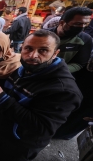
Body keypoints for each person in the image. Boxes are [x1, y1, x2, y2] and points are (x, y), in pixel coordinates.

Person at [0, 29, 82, 161]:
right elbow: (10, 95)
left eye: (43, 50)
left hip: (19, 145)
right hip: (1, 133)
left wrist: (1, 98)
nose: (33, 55)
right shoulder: (23, 69)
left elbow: (41, 127)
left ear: (55, 53)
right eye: (28, 48)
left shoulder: (64, 91)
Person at [46, 7, 93, 140]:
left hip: (62, 82)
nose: (82, 27)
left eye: (85, 24)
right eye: (77, 24)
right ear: (62, 22)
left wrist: (56, 69)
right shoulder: (45, 34)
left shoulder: (85, 39)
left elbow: (79, 64)